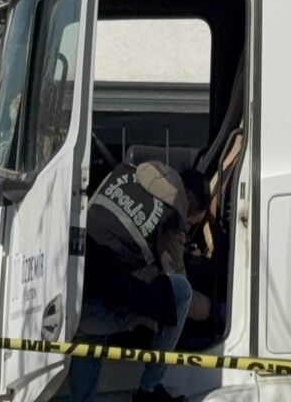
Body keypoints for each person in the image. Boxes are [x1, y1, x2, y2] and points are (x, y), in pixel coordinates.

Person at [69, 161, 212, 402]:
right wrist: (215, 311)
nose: (187, 230)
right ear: (187, 199)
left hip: (71, 291)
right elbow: (181, 300)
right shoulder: (172, 220)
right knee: (180, 292)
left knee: (92, 335)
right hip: (98, 306)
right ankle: (149, 390)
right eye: (191, 224)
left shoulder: (127, 173)